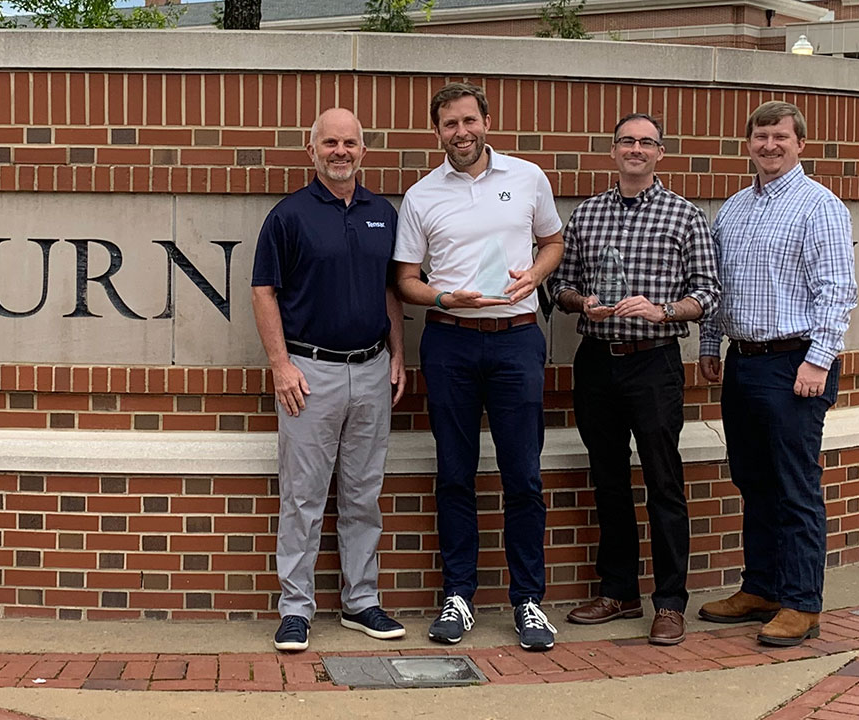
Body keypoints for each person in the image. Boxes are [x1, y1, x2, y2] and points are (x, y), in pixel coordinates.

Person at [393, 82, 564, 651]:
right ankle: (458, 595)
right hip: (451, 343)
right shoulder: (421, 196)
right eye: (448, 124)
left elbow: (553, 243)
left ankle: (528, 601)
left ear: (487, 120)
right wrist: (443, 299)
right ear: (436, 131)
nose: (460, 132)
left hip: (516, 340)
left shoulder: (527, 177)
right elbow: (406, 281)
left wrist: (535, 278)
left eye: (469, 120)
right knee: (454, 473)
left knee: (523, 475)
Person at [548, 113, 720, 646]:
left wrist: (664, 311)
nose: (636, 149)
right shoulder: (587, 215)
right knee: (608, 478)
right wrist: (583, 303)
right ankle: (618, 590)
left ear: (660, 153)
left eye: (646, 142)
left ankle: (669, 602)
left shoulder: (685, 216)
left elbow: (709, 294)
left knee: (664, 482)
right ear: (614, 150)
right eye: (627, 141)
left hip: (655, 361)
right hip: (597, 358)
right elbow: (560, 282)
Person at [698, 101, 857, 647]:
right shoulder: (734, 208)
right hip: (743, 362)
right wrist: (710, 344)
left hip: (795, 364)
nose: (769, 145)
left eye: (780, 136)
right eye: (760, 136)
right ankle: (760, 588)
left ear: (800, 144)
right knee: (752, 480)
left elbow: (838, 291)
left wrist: (819, 359)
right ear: (748, 144)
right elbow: (720, 289)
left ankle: (801, 603)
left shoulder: (821, 207)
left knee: (794, 487)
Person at [251, 107, 407, 653]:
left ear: (364, 150)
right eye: (330, 143)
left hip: (371, 371)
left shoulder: (382, 213)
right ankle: (295, 609)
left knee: (364, 495)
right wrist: (280, 365)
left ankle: (361, 601)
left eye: (351, 143)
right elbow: (264, 291)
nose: (341, 152)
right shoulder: (289, 216)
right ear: (311, 150)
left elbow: (391, 290)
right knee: (303, 497)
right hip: (308, 373)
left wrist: (397, 355)